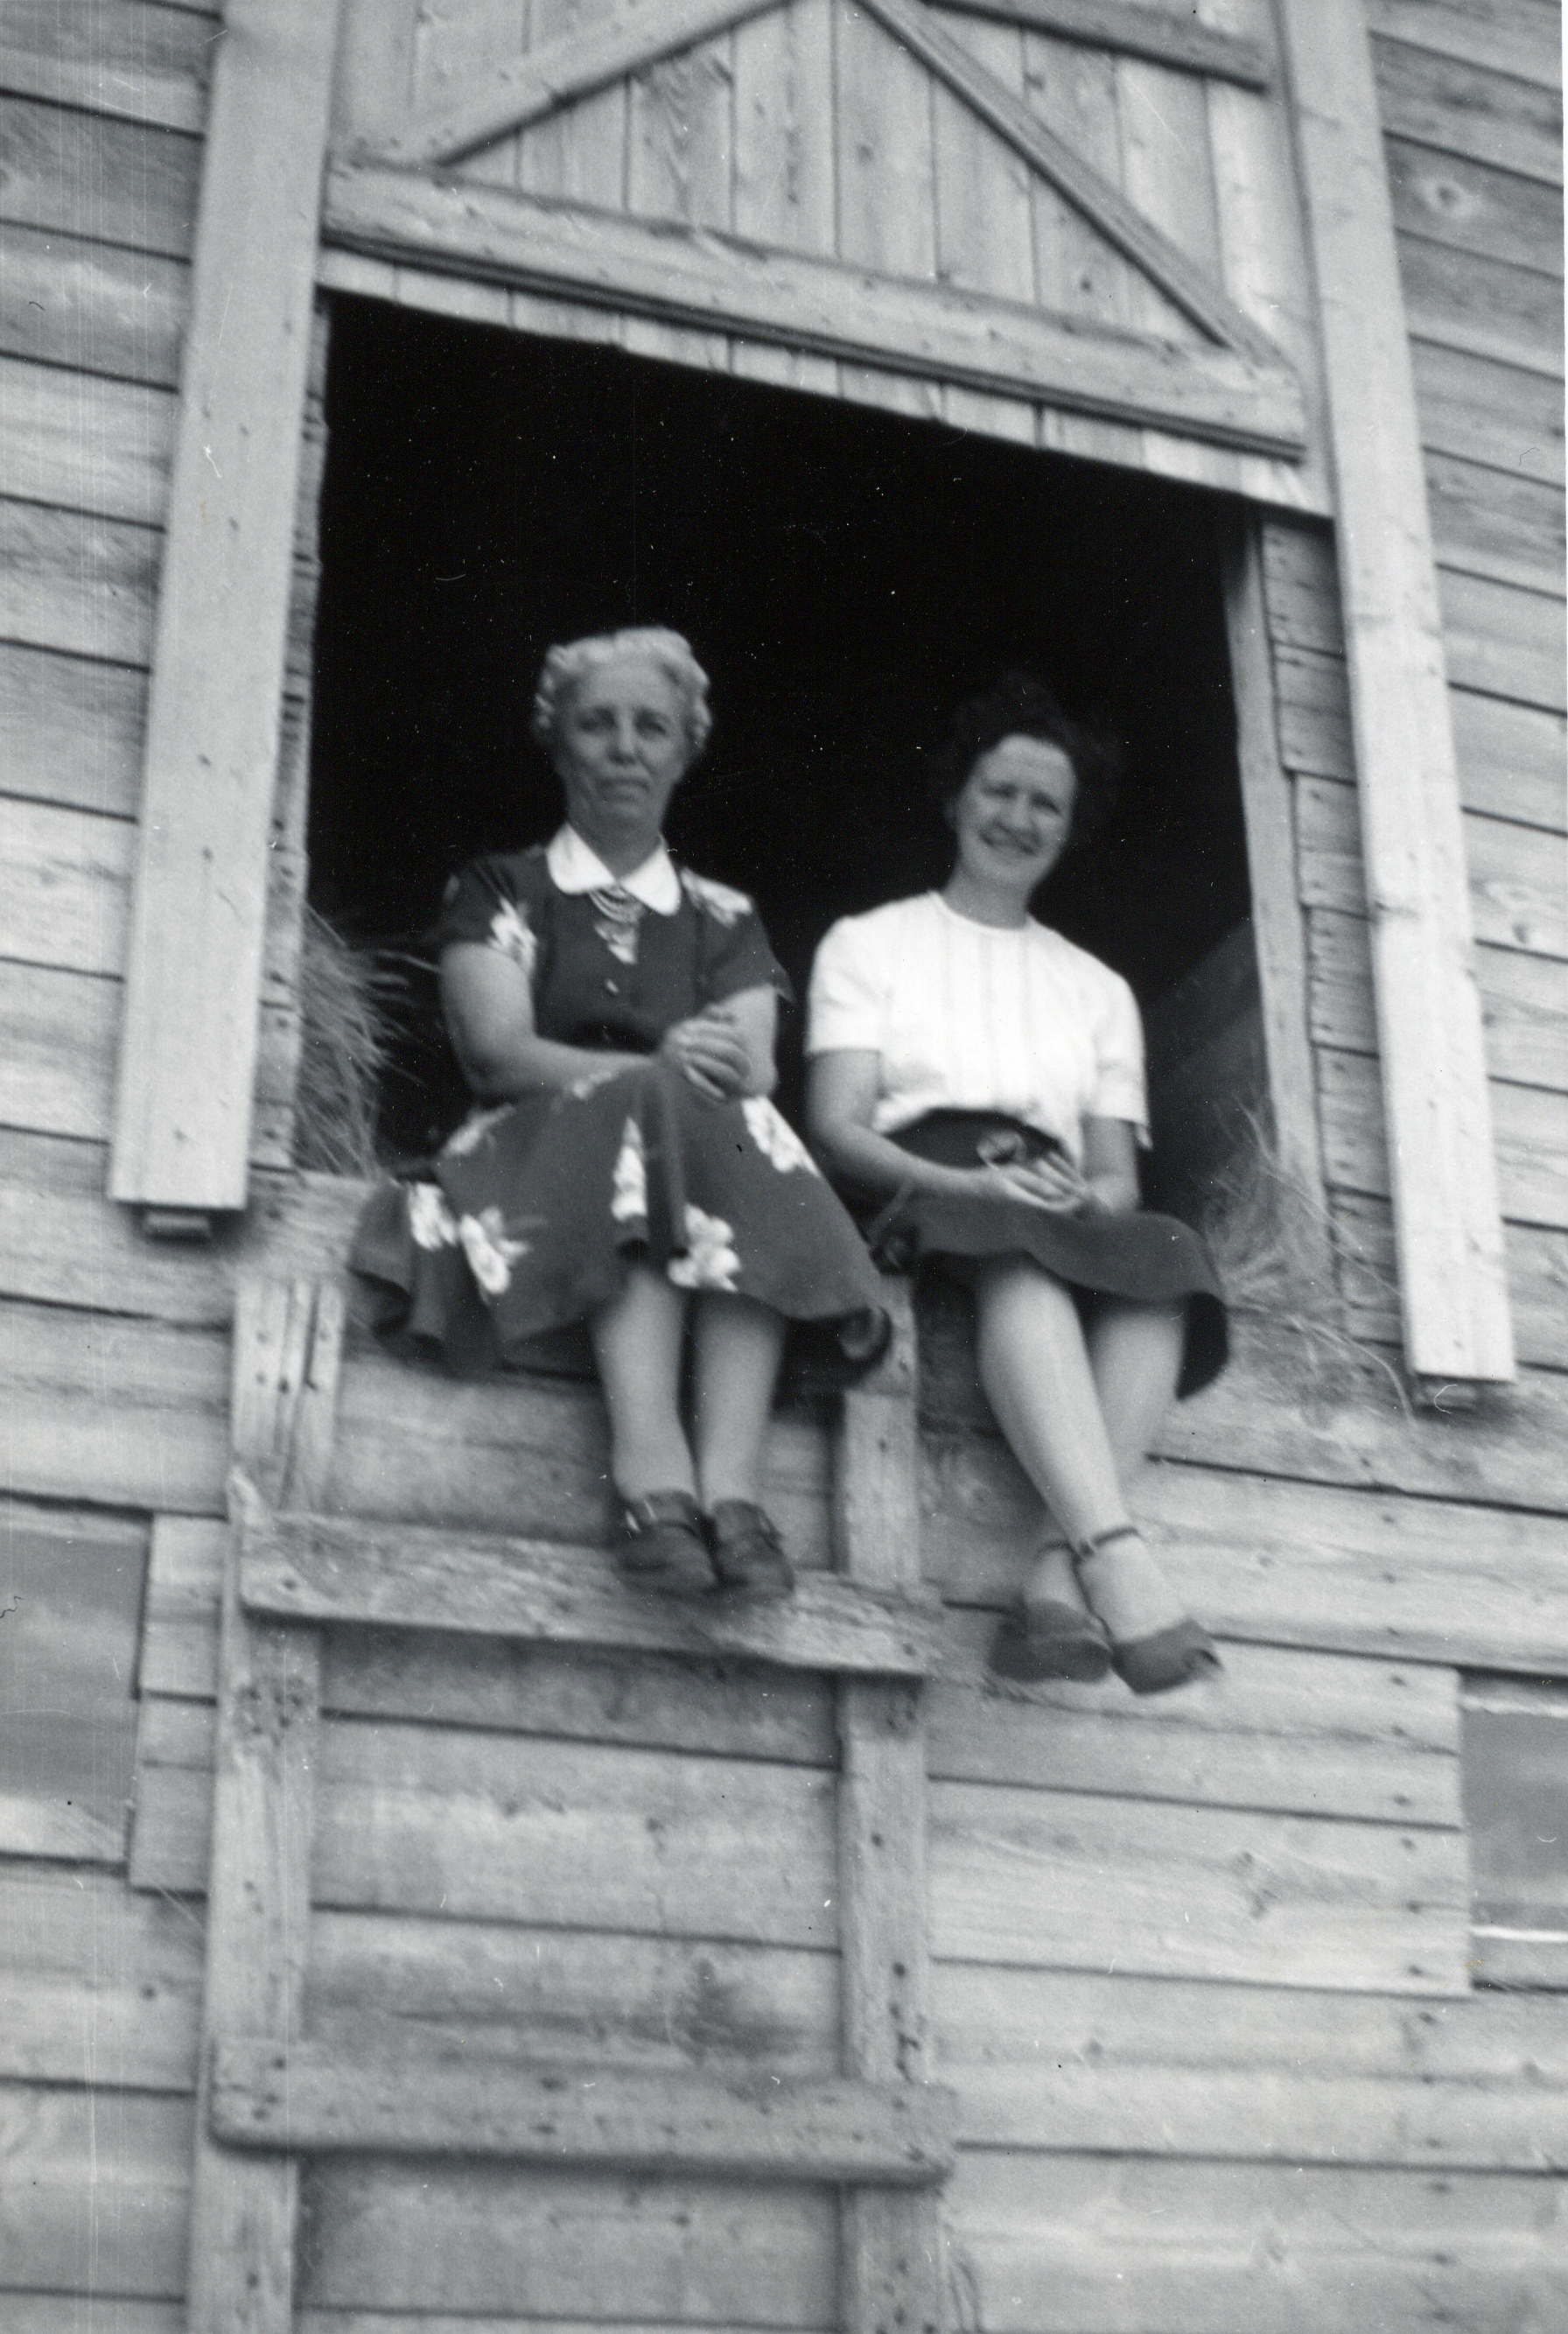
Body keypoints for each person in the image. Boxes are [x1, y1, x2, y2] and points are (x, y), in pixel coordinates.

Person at [352, 627, 887, 1602]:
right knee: (658, 1105)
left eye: (652, 727)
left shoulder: (723, 916)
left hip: (688, 1155)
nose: (625, 747)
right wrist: (653, 1070)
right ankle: (650, 1473)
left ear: (684, 752)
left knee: (734, 1126)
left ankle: (732, 1491)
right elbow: (497, 1052)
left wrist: (673, 1082)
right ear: (558, 745)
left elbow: (750, 1063)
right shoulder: (502, 889)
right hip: (527, 1149)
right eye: (597, 724)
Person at [806, 675, 1227, 1693]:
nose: (1017, 818)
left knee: (1167, 1253)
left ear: (1069, 830)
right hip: (913, 1179)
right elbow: (835, 1128)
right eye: (999, 790)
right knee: (1020, 1260)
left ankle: (1049, 1584)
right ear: (956, 796)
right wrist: (965, 1188)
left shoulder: (1097, 989)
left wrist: (1086, 1202)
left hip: (1042, 1191)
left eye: (1046, 804)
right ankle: (1113, 1558)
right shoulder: (869, 943)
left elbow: (1116, 1176)